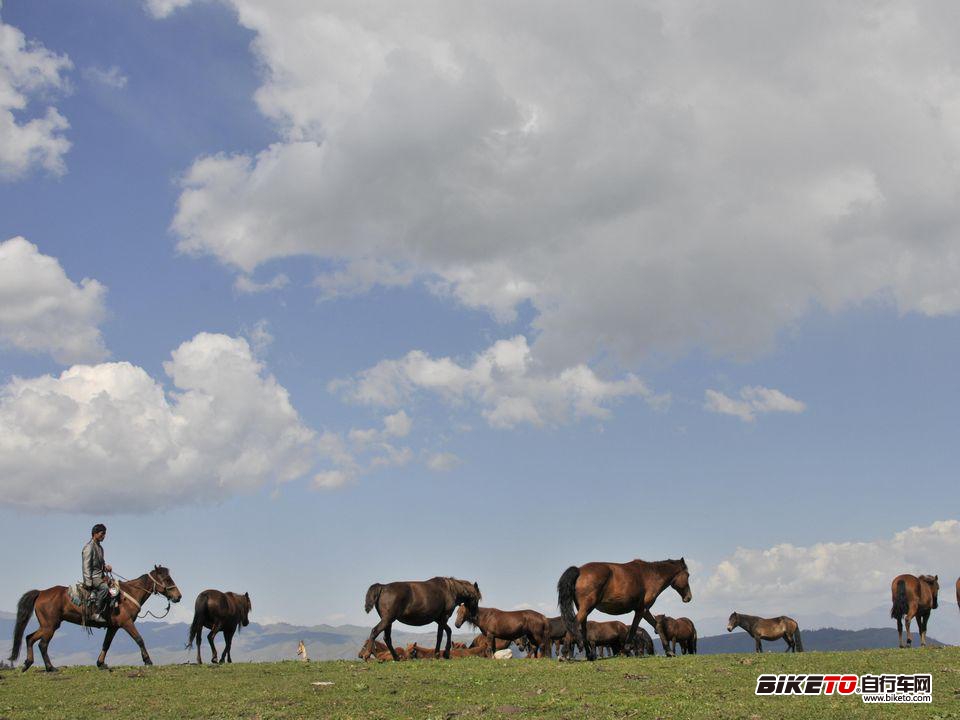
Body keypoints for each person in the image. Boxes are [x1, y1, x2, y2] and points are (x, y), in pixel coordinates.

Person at [82, 523, 113, 620]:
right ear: (95, 533)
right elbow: (86, 566)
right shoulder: (89, 547)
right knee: (104, 588)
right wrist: (88, 583)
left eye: (105, 534)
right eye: (102, 533)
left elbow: (101, 565)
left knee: (115, 586)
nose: (104, 536)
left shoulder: (100, 548)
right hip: (93, 577)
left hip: (100, 576)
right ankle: (96, 613)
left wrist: (106, 567)